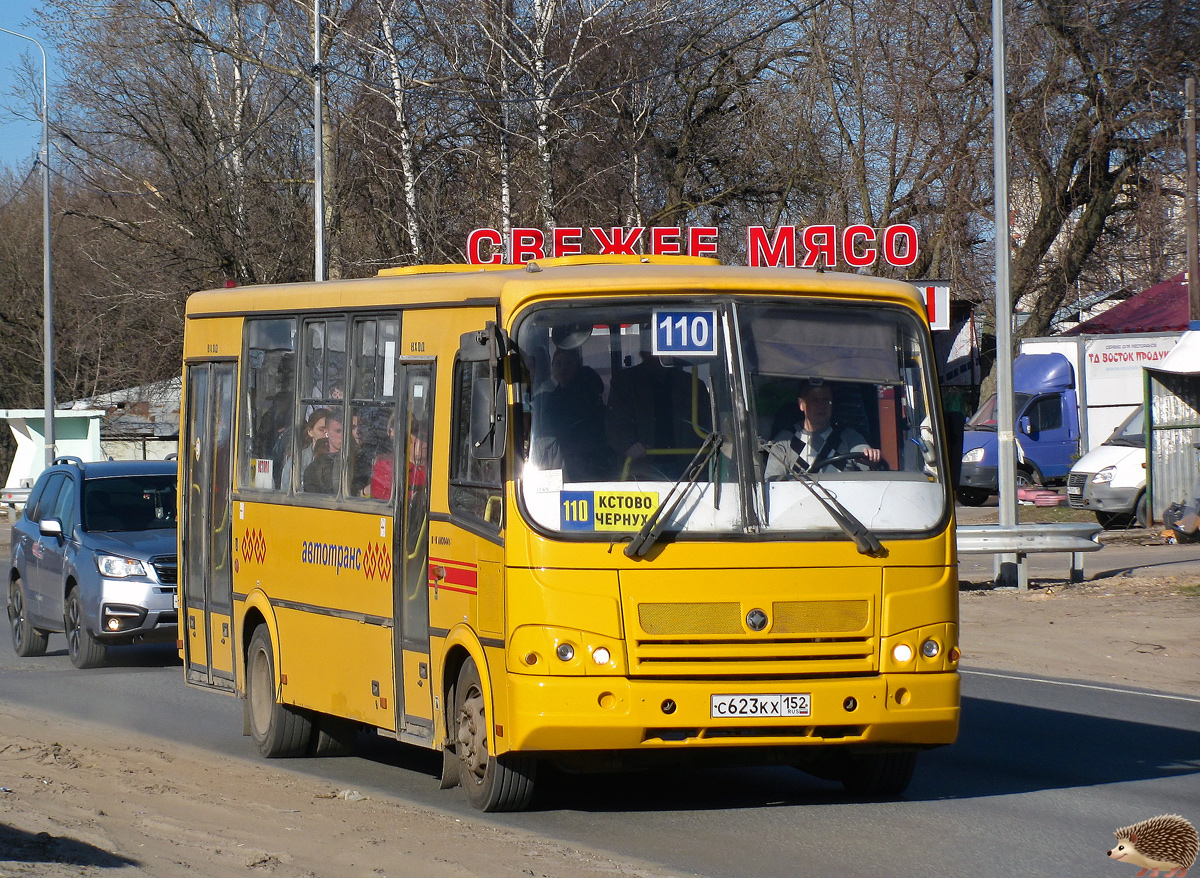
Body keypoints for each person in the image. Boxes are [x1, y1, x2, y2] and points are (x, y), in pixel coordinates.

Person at [605, 348, 712, 480]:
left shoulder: (693, 385)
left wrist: (703, 457)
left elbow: (709, 428)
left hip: (687, 468)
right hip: (640, 469)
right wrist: (627, 445)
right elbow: (614, 423)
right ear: (644, 352)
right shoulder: (625, 382)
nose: (659, 355)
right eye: (654, 350)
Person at [764, 380, 882, 478]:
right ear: (801, 404)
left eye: (826, 400)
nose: (821, 406)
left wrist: (871, 456)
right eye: (815, 400)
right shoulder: (784, 441)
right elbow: (773, 482)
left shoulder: (849, 436)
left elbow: (864, 454)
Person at [531, 346, 611, 480]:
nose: (563, 368)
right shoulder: (551, 395)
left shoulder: (583, 393)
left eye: (568, 363)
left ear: (577, 367)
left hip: (585, 461)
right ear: (552, 367)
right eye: (558, 363)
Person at [303, 412, 344, 494]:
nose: (342, 435)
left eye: (344, 431)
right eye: (338, 431)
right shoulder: (315, 467)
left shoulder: (357, 460)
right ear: (327, 432)